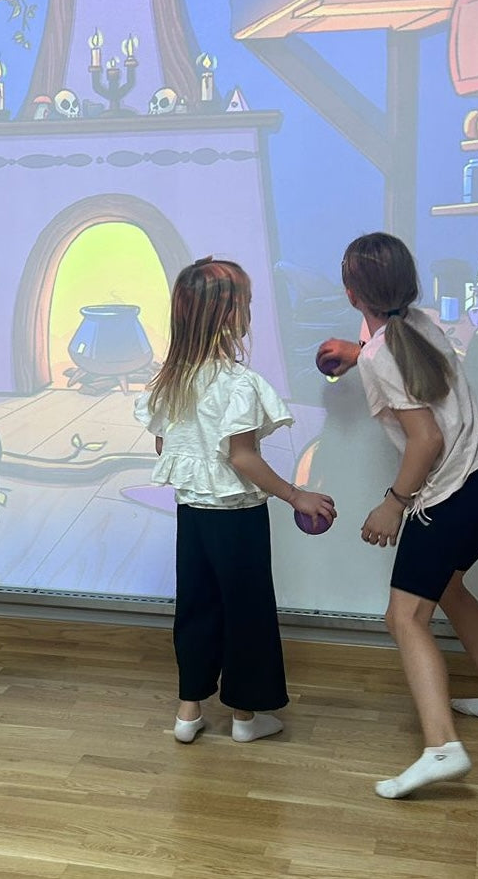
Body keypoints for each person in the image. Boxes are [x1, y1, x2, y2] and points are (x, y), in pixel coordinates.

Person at [316, 232, 478, 800]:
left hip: (451, 492)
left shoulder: (387, 351)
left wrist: (392, 503)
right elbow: (408, 365)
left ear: (352, 291)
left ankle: (441, 748)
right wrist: (361, 356)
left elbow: (425, 437)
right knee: (451, 588)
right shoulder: (423, 321)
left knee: (403, 618)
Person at [135, 258, 336, 746]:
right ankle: (246, 717)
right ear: (228, 316)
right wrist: (295, 496)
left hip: (193, 513)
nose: (250, 310)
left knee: (198, 606)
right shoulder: (238, 383)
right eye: (245, 302)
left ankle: (188, 712)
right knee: (246, 610)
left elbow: (166, 446)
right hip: (238, 518)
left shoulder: (170, 379)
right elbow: (242, 457)